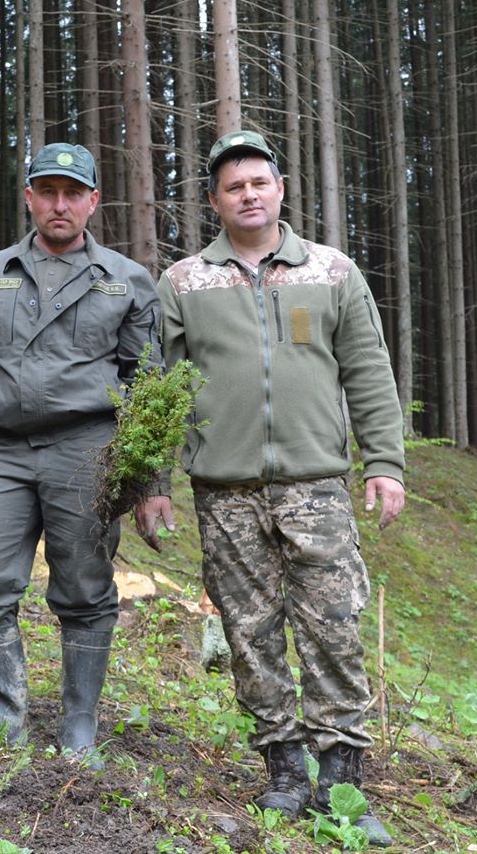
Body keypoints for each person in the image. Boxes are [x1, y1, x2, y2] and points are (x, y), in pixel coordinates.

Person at [139, 130, 405, 846]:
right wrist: (152, 482)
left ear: (280, 188)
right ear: (213, 200)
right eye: (233, 186)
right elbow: (157, 391)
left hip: (317, 485)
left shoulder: (331, 271)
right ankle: (284, 769)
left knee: (333, 627)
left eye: (259, 181)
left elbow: (370, 373)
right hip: (223, 492)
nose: (248, 194)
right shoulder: (185, 282)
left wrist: (384, 462)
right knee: (249, 632)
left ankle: (340, 779)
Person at [0, 143, 163, 768]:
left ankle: (79, 720)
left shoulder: (126, 281)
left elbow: (149, 388)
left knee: (84, 588)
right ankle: (1, 715)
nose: (59, 204)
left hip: (87, 449)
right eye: (47, 191)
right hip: (0, 448)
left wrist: (153, 482)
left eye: (72, 193)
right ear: (29, 196)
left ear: (92, 202)